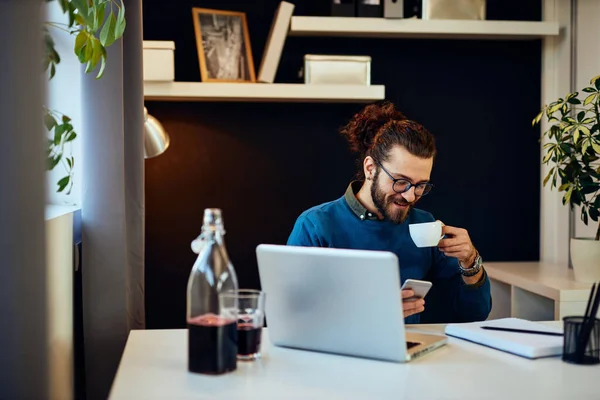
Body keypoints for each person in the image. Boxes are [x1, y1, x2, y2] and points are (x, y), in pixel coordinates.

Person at [287, 101, 491, 324]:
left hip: (410, 353)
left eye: (421, 185)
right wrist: (373, 312)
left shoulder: (425, 225)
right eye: (401, 181)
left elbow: (474, 314)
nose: (411, 196)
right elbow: (291, 315)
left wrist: (470, 261)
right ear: (370, 169)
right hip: (336, 355)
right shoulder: (316, 226)